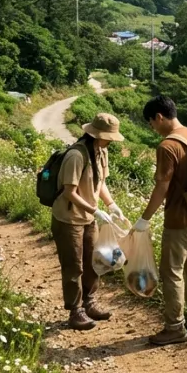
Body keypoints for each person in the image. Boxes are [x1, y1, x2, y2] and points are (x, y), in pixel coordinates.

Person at [136, 95, 187, 345]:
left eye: (151, 123)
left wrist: (144, 219)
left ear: (159, 117)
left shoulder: (167, 146)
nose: (152, 128)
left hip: (180, 217)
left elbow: (162, 187)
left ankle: (175, 328)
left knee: (172, 271)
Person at [51, 113, 125, 331]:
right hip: (69, 219)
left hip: (88, 218)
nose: (111, 141)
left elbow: (100, 182)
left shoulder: (101, 152)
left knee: (94, 260)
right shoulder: (76, 155)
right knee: (74, 266)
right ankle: (75, 312)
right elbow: (69, 192)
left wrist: (111, 205)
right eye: (108, 137)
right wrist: (95, 210)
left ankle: (90, 303)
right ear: (96, 135)